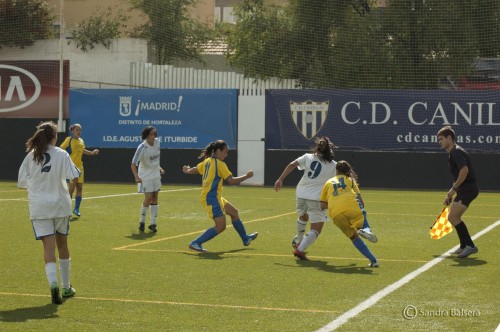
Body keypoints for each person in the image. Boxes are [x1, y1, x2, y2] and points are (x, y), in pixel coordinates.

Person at [18, 121, 80, 304]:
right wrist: (67, 194)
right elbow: (75, 176)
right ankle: (66, 287)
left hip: (40, 207)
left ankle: (53, 285)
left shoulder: (31, 155)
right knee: (63, 245)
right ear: (54, 136)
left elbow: (22, 182)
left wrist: (37, 185)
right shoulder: (61, 154)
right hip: (60, 205)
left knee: (48, 247)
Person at [182, 140, 258, 252]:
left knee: (234, 212)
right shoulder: (220, 164)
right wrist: (247, 176)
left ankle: (245, 238)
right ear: (218, 151)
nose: (226, 155)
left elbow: (196, 169)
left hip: (214, 197)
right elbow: (232, 181)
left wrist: (187, 170)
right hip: (212, 198)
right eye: (225, 152)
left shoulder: (208, 161)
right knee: (221, 226)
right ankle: (195, 242)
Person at [274, 136, 337, 260]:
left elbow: (292, 164)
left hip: (301, 194)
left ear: (317, 149)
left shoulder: (307, 157)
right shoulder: (333, 165)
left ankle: (299, 241)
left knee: (303, 216)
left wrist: (280, 179)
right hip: (316, 198)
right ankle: (300, 249)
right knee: (316, 229)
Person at [320, 160, 379, 267]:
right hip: (351, 207)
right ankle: (366, 230)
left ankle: (374, 260)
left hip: (336, 214)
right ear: (348, 170)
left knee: (353, 237)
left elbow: (322, 206)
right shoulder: (351, 180)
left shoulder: (328, 182)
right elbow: (361, 202)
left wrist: (335, 204)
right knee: (362, 212)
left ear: (336, 170)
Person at [437, 126, 479, 258]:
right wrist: (451, 193)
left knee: (453, 217)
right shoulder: (453, 152)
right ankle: (463, 246)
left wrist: (453, 190)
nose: (440, 142)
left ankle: (470, 246)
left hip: (468, 189)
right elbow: (458, 176)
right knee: (454, 217)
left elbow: (464, 170)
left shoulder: (456, 151)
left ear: (450, 138)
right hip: (465, 189)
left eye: (442, 139)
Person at [60, 123, 99, 217]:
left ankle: (76, 209)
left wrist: (92, 153)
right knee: (71, 189)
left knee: (80, 188)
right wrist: (66, 155)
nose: (79, 131)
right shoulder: (69, 139)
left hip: (80, 167)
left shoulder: (81, 140)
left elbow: (83, 151)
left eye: (80, 130)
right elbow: (61, 149)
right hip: (71, 167)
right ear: (72, 131)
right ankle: (67, 210)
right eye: (77, 130)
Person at [131, 126, 165, 233]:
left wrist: (159, 168)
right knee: (149, 197)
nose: (154, 136)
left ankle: (153, 223)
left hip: (155, 174)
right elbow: (133, 164)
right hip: (145, 175)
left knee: (155, 197)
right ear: (146, 135)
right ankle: (142, 221)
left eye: (155, 134)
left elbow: (156, 158)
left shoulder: (157, 142)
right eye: (152, 134)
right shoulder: (142, 147)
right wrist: (136, 176)